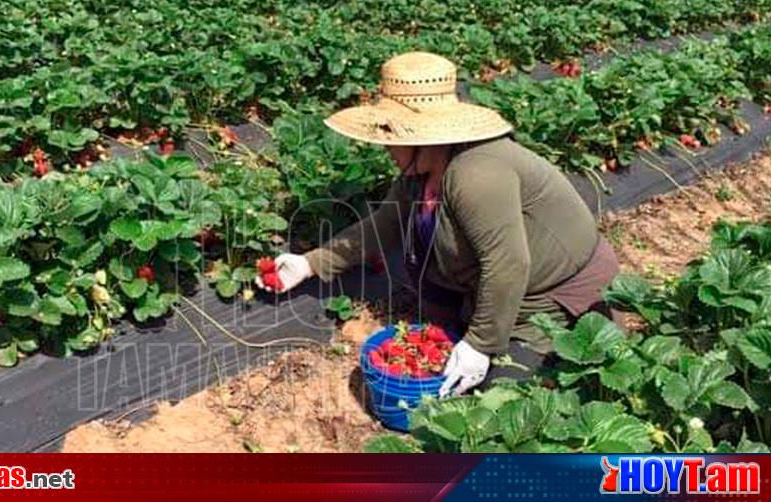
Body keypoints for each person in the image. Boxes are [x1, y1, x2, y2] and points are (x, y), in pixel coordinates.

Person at [257, 52, 621, 397]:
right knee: (437, 348)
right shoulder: (423, 169)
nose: (385, 148)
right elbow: (384, 224)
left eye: (390, 139)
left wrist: (481, 344)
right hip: (482, 284)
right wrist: (309, 264)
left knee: (496, 397)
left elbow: (509, 264)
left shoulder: (476, 173)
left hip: (547, 294)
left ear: (420, 136)